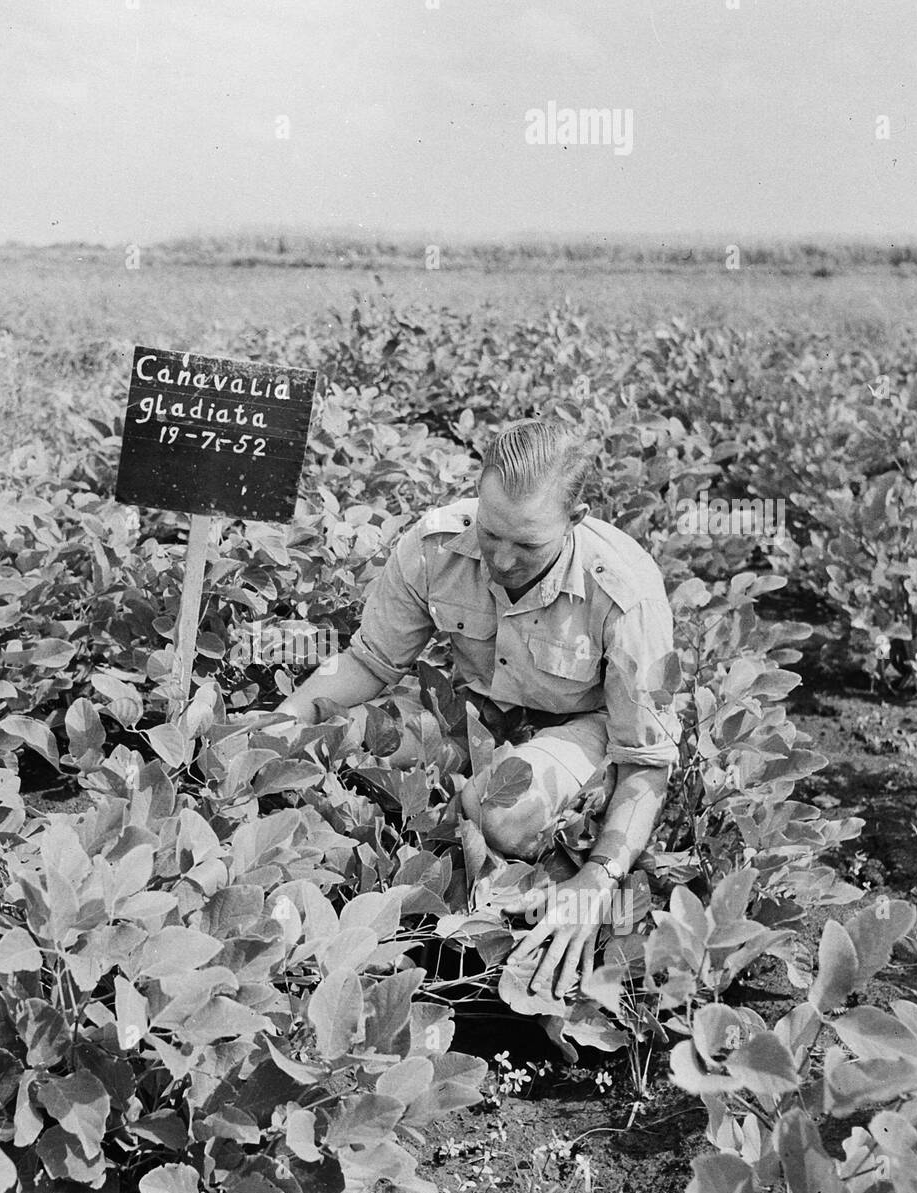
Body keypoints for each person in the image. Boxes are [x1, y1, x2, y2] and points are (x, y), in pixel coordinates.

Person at [271, 418, 680, 1000]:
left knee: (499, 808)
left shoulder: (626, 590)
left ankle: (522, 887)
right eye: (492, 534)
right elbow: (368, 663)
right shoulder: (437, 544)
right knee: (346, 732)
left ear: (577, 518)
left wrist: (599, 879)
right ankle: (447, 857)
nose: (504, 560)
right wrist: (285, 722)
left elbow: (646, 763)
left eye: (528, 543)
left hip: (582, 729)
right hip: (477, 711)